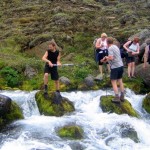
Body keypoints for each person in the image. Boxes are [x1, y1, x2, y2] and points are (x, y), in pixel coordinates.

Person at [103, 37, 125, 103]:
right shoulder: (115, 46)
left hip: (115, 67)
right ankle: (122, 96)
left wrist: (106, 57)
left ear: (107, 42)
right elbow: (115, 56)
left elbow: (111, 58)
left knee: (113, 81)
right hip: (121, 65)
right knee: (120, 80)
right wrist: (107, 58)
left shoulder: (110, 48)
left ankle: (117, 97)